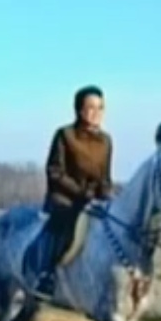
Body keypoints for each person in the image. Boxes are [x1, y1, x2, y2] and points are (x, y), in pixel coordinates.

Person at [33, 84, 115, 300]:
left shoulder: (106, 141)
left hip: (92, 200)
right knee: (67, 221)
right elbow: (55, 172)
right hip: (64, 198)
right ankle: (46, 275)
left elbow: (105, 178)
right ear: (79, 110)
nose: (96, 113)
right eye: (91, 107)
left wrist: (107, 198)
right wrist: (81, 193)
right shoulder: (64, 135)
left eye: (100, 108)